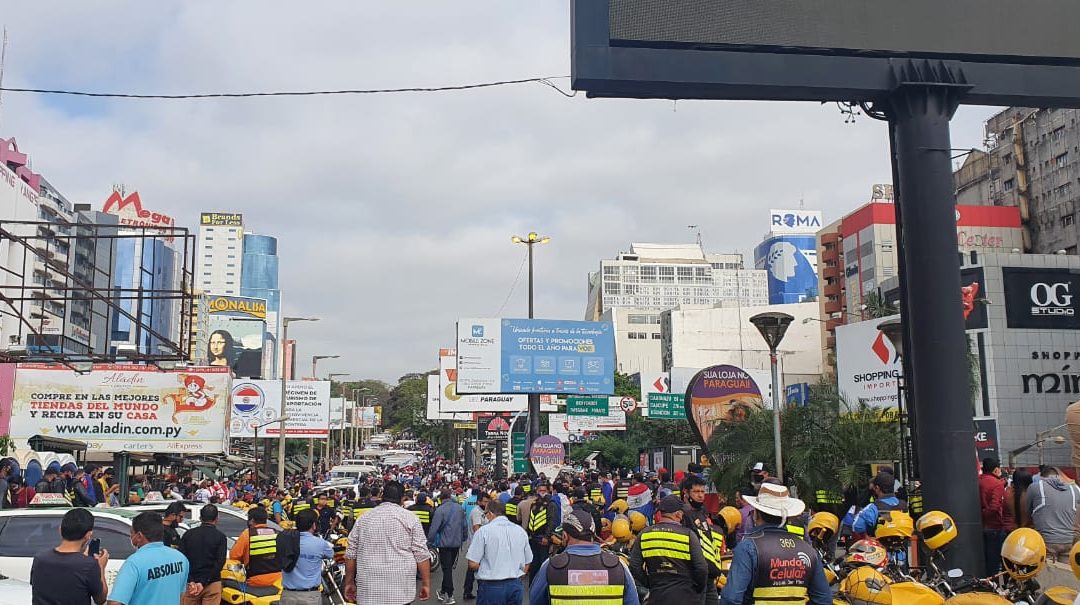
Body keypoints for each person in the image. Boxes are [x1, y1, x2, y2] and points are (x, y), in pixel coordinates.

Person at [719, 483, 831, 605]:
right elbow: (823, 600)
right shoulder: (809, 551)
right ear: (787, 517)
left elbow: (731, 598)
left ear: (757, 513)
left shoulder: (748, 547)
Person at [344, 480, 431, 605]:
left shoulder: (363, 518)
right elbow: (421, 554)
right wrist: (426, 584)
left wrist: (349, 582)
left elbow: (351, 553)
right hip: (401, 592)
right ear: (402, 499)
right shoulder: (410, 518)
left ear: (382, 496)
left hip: (369, 591)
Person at [529, 509, 639, 605]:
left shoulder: (550, 566)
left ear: (565, 536)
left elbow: (535, 600)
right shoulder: (619, 565)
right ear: (592, 536)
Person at [631, 495, 708, 604]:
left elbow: (634, 565)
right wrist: (696, 588)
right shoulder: (688, 535)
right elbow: (702, 568)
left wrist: (650, 583)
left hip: (657, 596)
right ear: (678, 514)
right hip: (686, 596)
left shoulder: (644, 535)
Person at [106, 512, 190, 605]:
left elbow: (115, 603)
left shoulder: (134, 562)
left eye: (132, 532)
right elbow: (181, 596)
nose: (130, 536)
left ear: (139, 536)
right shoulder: (181, 559)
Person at [30, 507, 109, 605]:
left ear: (60, 530)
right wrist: (100, 567)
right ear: (88, 535)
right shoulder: (88, 565)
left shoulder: (39, 559)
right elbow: (101, 599)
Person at [465, 499, 532, 605]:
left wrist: (492, 567)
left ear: (491, 514)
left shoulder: (483, 532)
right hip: (515, 585)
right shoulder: (520, 531)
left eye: (485, 514)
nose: (485, 517)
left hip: (491, 586)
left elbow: (472, 564)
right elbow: (528, 561)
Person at [681, 475, 722, 605]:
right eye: (696, 492)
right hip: (696, 575)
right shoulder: (684, 514)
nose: (700, 495)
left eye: (702, 491)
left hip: (710, 575)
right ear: (686, 493)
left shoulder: (702, 511)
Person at [1026, 466, 1080, 561]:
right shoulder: (1075, 490)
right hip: (1068, 541)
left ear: (1042, 477)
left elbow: (1027, 512)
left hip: (1046, 543)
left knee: (1047, 573)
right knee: (1065, 573)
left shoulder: (1035, 487)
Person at [282, 509, 335, 604]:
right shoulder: (320, 543)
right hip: (310, 597)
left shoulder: (285, 541)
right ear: (314, 525)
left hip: (287, 596)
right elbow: (331, 554)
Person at [179, 504, 227, 605]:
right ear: (216, 518)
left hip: (190, 585)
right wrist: (204, 582)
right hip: (212, 583)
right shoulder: (220, 537)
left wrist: (191, 580)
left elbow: (182, 560)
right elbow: (219, 563)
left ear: (200, 518)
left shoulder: (188, 535)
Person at [429, 487, 469, 604]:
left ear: (441, 498)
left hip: (444, 543)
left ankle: (449, 594)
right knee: (448, 568)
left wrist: (429, 542)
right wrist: (464, 538)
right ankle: (442, 591)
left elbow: (434, 528)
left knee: (446, 569)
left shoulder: (440, 510)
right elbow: (464, 525)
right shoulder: (459, 509)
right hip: (456, 543)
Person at [229, 505, 281, 588]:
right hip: (278, 580)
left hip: (255, 581)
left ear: (252, 520)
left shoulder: (247, 534)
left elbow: (234, 556)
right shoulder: (277, 533)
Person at [852, 472, 906, 538]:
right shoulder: (904, 505)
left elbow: (857, 526)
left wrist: (867, 538)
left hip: (879, 545)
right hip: (901, 546)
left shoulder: (873, 507)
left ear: (877, 488)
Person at [978, 457, 1007, 575]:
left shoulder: (977, 481)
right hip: (994, 526)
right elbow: (995, 507)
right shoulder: (997, 484)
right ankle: (991, 584)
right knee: (993, 560)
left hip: (979, 526)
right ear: (996, 470)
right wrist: (985, 513)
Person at [526, 482, 558, 583]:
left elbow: (552, 521)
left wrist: (546, 536)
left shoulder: (551, 504)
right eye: (540, 490)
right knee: (534, 562)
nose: (542, 493)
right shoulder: (534, 504)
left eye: (544, 491)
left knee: (543, 562)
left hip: (543, 538)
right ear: (537, 491)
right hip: (533, 537)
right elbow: (530, 519)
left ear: (548, 491)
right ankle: (533, 583)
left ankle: (542, 583)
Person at [463, 491, 490, 601]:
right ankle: (474, 591)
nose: (487, 503)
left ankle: (468, 591)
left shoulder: (484, 512)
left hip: (480, 544)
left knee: (472, 570)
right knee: (477, 569)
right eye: (485, 501)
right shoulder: (476, 512)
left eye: (488, 501)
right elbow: (476, 528)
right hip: (477, 545)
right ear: (479, 502)